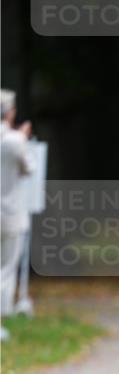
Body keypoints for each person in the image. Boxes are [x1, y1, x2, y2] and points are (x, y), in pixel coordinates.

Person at [1, 89, 34, 340]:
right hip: (8, 213)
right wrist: (23, 137)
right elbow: (28, 167)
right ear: (10, 112)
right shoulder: (13, 141)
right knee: (5, 268)